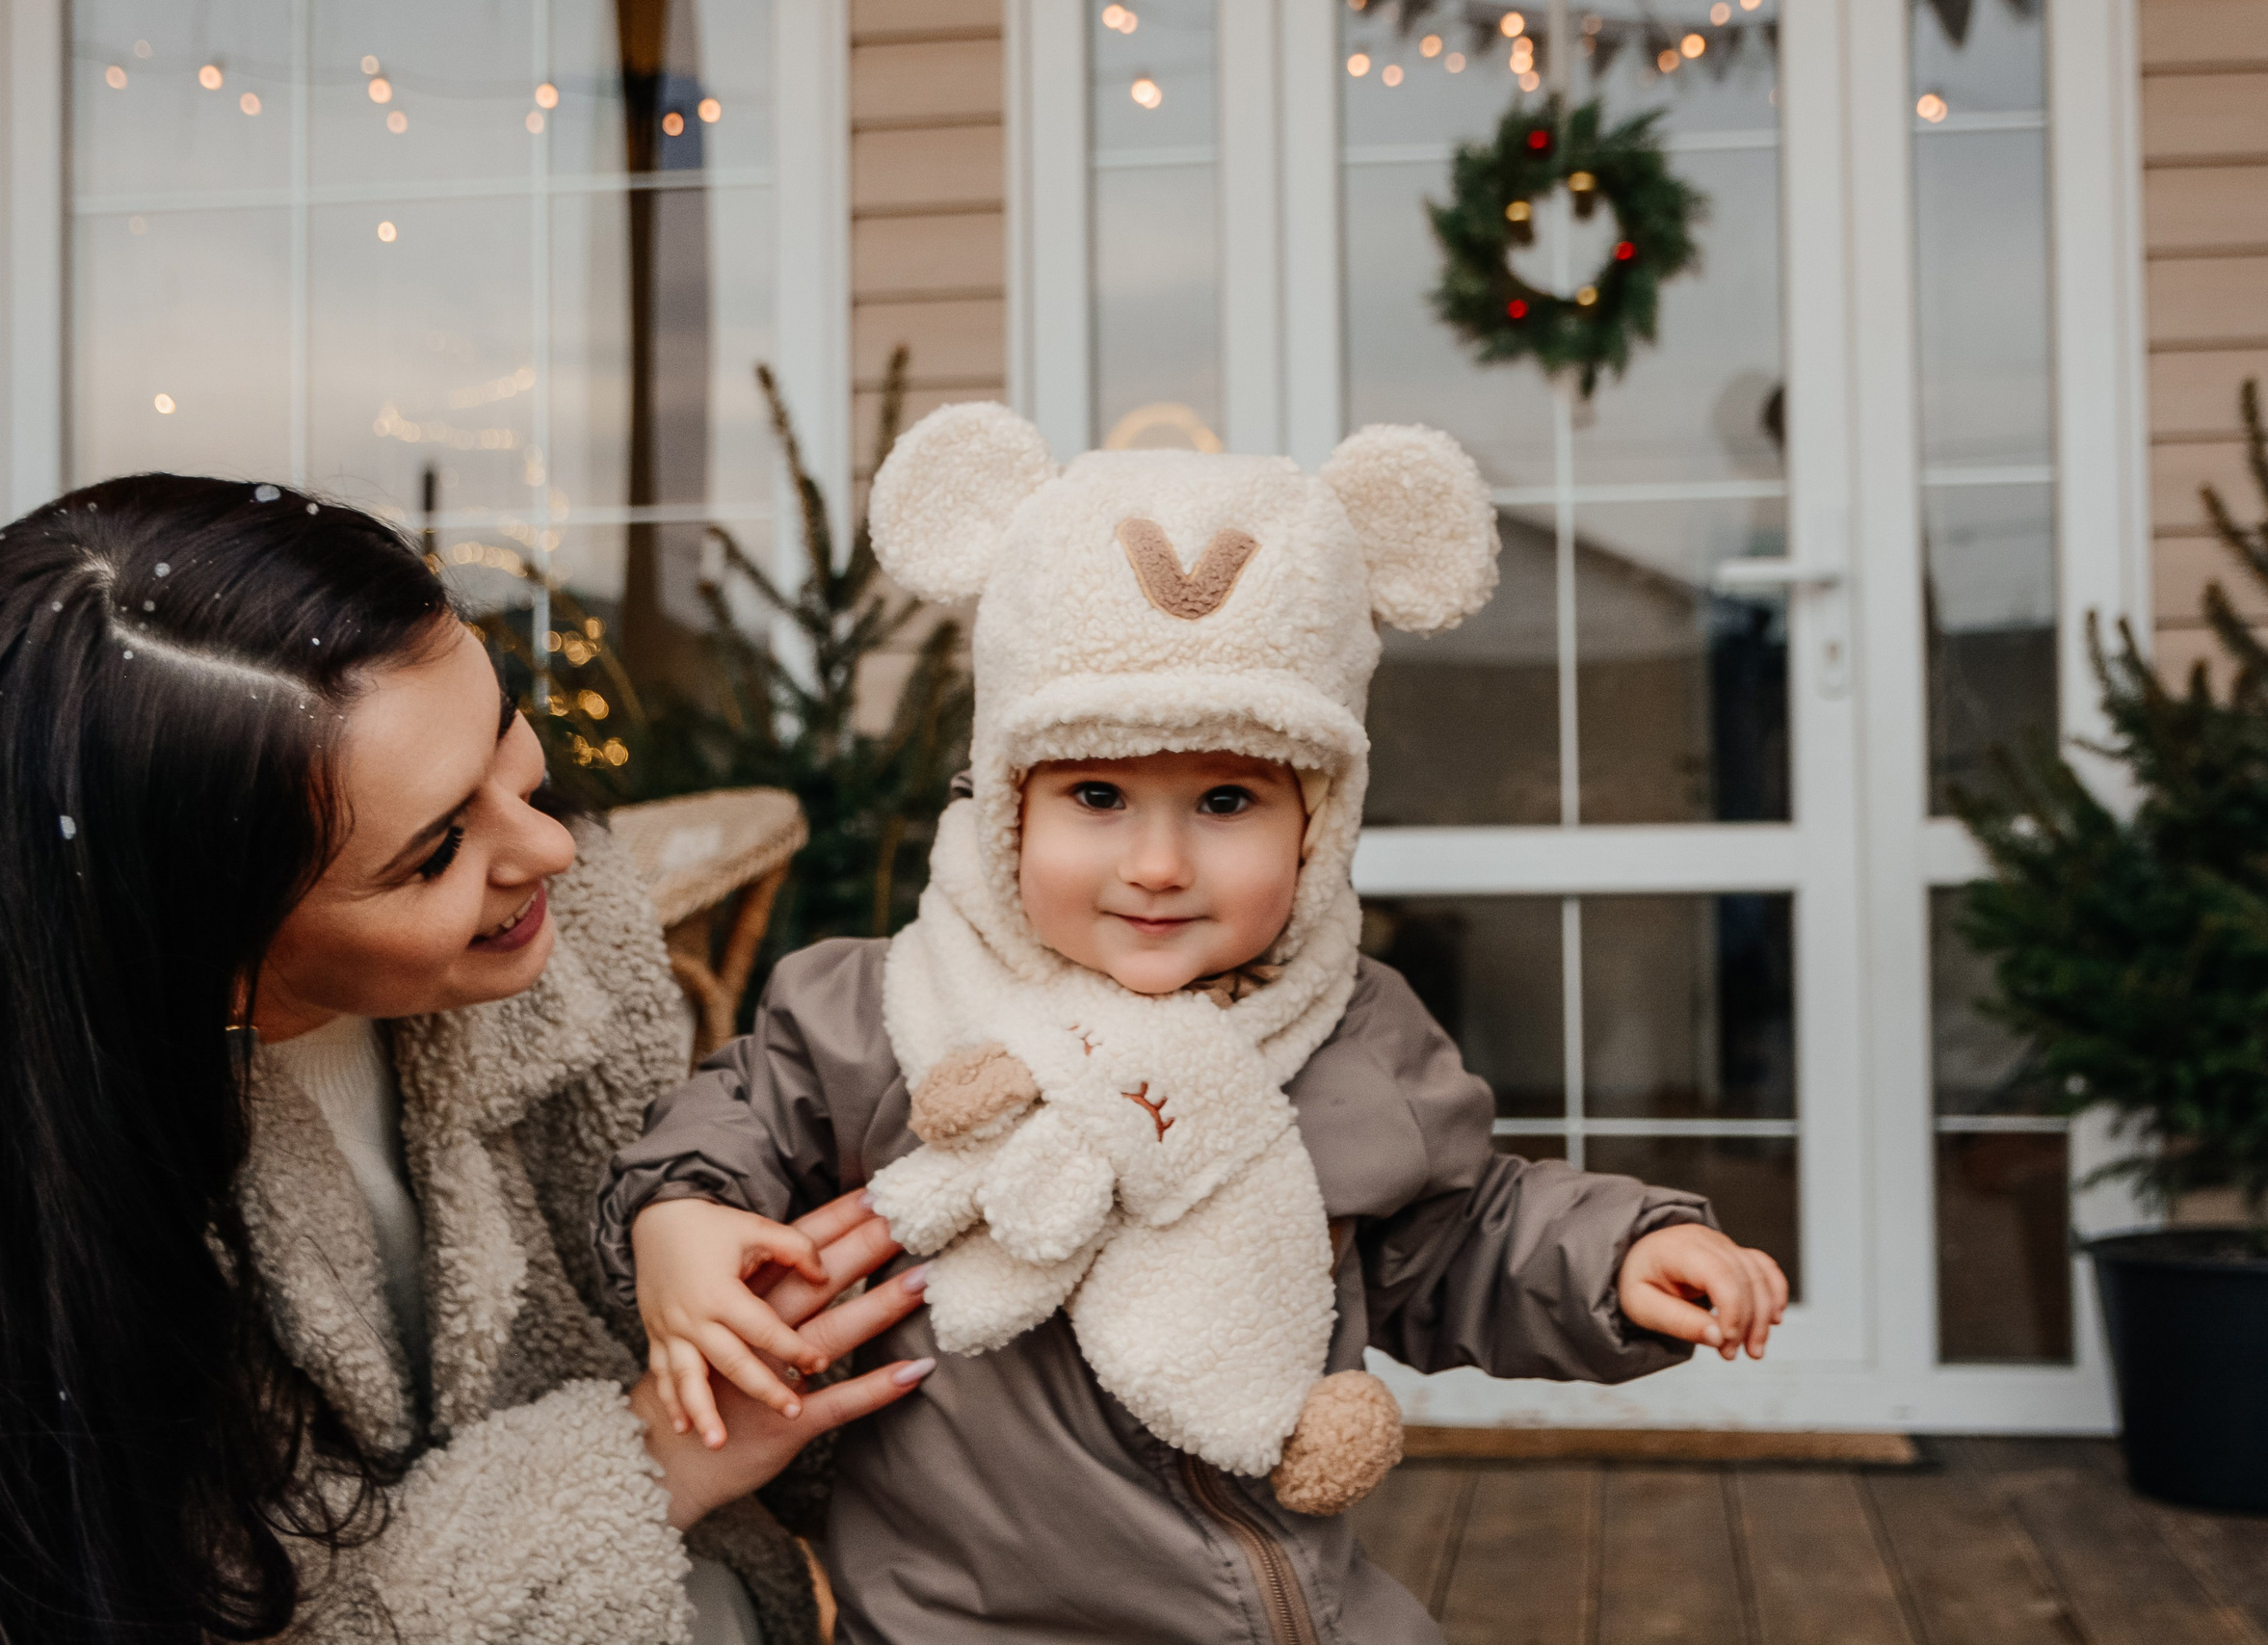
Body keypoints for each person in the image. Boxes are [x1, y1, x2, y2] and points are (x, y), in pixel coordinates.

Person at [597, 408, 1791, 1643]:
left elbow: (1463, 1240)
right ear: (1005, 805)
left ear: (1316, 826)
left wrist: (1617, 1258)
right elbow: (733, 1115)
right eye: (1097, 795)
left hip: (1278, 1618)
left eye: (1225, 800)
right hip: (956, 1623)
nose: (1158, 864)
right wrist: (679, 1216)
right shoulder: (878, 1013)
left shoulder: (1350, 1035)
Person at [0, 475, 931, 1645]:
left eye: (502, 728)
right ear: (196, 954)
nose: (552, 846)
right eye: (436, 851)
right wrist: (652, 1454)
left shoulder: (569, 927)